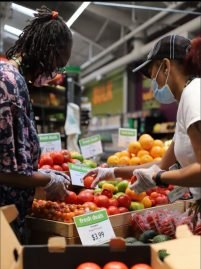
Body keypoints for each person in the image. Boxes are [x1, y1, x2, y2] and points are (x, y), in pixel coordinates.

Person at [84, 34, 201, 216]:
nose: (152, 83)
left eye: (152, 75)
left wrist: (158, 178)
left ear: (166, 66)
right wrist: (113, 172)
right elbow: (161, 165)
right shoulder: (186, 101)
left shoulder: (194, 95)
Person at [0, 6, 73, 240]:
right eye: (58, 64)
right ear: (46, 52)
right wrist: (47, 179)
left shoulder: (14, 80)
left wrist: (40, 173)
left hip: (11, 217)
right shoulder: (9, 84)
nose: (55, 72)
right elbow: (4, 170)